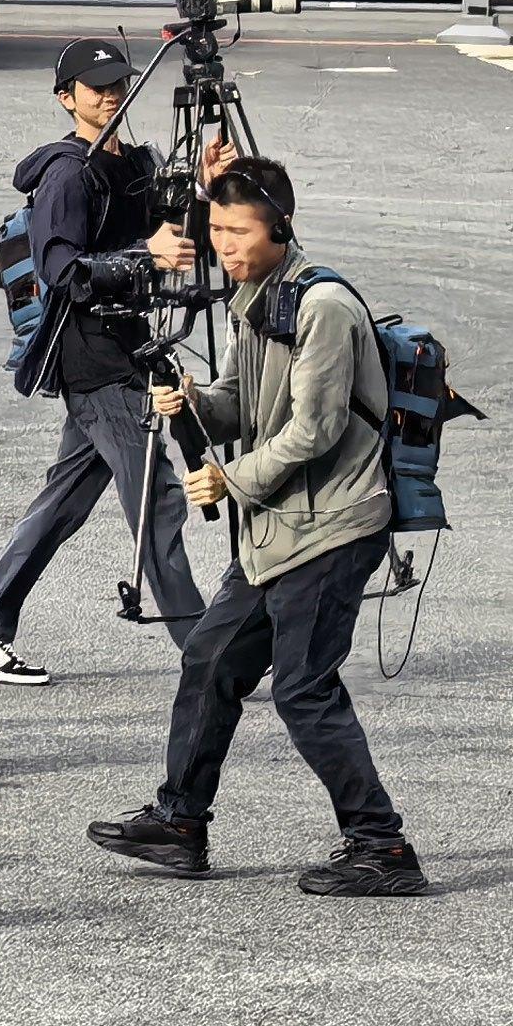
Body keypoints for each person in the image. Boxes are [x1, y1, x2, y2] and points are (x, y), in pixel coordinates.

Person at [90, 156, 429, 898]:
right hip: (277, 530)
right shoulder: (256, 297)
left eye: (238, 231)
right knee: (211, 658)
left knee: (304, 689)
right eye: (216, 229)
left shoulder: (323, 306)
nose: (224, 245)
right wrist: (192, 402)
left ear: (280, 227)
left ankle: (383, 846)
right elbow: (240, 404)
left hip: (333, 526)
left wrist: (230, 479)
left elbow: (316, 428)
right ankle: (180, 823)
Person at [0, 38, 203, 683]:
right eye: (96, 87)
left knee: (64, 500)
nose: (111, 94)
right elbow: (62, 271)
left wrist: (205, 180)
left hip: (126, 346)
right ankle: (210, 657)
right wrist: (143, 256)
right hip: (93, 357)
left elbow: (172, 228)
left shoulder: (133, 163)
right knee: (157, 501)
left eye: (118, 83)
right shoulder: (66, 174)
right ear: (67, 97)